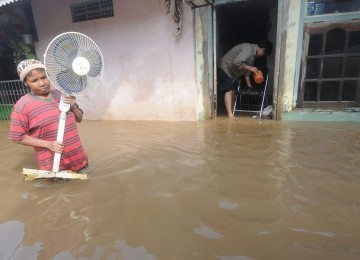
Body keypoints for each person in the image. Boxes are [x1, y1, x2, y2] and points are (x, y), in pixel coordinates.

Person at [9, 59, 88, 172]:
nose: (42, 83)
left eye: (44, 77)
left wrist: (73, 106)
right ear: (26, 83)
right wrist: (48, 144)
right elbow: (17, 137)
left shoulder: (62, 95)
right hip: (56, 169)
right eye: (34, 80)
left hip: (81, 161)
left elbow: (79, 119)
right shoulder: (22, 105)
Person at [218, 40, 272, 117]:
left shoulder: (253, 55)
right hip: (225, 68)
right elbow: (236, 62)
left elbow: (246, 71)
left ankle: (232, 112)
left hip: (231, 72)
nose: (262, 55)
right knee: (229, 90)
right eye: (264, 53)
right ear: (262, 49)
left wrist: (249, 85)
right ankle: (230, 115)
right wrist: (251, 68)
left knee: (233, 92)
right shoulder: (248, 49)